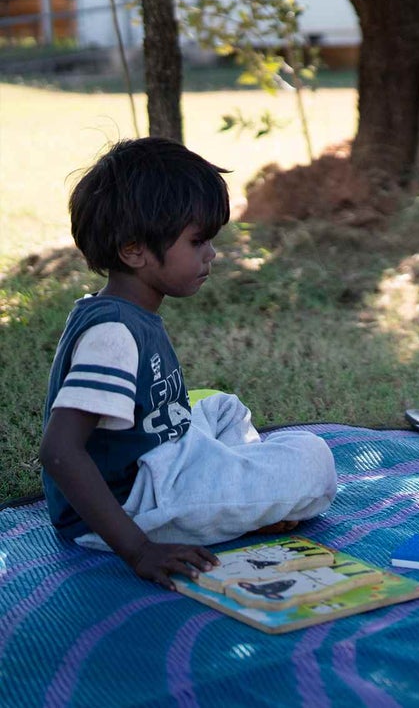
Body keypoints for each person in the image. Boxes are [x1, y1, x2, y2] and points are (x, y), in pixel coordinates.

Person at [40, 138, 338, 589]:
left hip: (159, 458)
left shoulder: (126, 312)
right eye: (197, 241)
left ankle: (237, 490)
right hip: (137, 502)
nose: (211, 254)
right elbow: (60, 450)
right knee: (315, 461)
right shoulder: (113, 335)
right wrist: (139, 548)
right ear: (134, 250)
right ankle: (241, 497)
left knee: (221, 406)